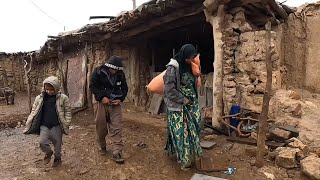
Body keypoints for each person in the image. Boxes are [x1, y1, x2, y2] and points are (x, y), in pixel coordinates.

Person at [163, 44, 202, 170]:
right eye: (189, 58)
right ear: (183, 55)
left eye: (192, 58)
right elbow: (169, 90)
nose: (191, 60)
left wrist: (198, 75)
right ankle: (185, 160)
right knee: (182, 133)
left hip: (192, 104)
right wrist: (183, 99)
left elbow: (195, 84)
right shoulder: (173, 68)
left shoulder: (192, 66)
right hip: (178, 106)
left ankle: (191, 154)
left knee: (195, 127)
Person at [23, 76, 71, 167]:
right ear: (44, 88)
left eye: (51, 89)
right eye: (47, 89)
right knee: (42, 142)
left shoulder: (63, 98)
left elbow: (67, 110)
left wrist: (67, 122)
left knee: (57, 144)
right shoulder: (40, 98)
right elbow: (34, 110)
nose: (49, 91)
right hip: (44, 125)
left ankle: (57, 158)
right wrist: (30, 119)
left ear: (56, 88)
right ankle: (48, 153)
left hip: (57, 126)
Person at [89, 55, 128, 164]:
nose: (114, 71)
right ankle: (102, 146)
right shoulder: (98, 72)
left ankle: (117, 152)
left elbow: (124, 88)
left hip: (115, 104)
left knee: (117, 127)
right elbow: (92, 86)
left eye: (116, 69)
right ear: (108, 66)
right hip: (100, 103)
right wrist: (102, 97)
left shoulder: (120, 74)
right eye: (113, 69)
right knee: (101, 127)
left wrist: (120, 98)